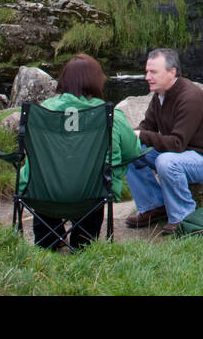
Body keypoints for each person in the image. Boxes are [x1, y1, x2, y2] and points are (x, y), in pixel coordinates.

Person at [19, 53, 145, 250]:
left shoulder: (42, 112)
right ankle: (84, 244)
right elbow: (133, 152)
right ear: (96, 81)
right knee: (96, 182)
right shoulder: (109, 114)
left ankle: (47, 242)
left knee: (47, 178)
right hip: (93, 195)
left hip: (43, 193)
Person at [125, 47, 203, 235]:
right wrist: (128, 136)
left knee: (165, 161)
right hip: (180, 154)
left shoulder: (189, 97)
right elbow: (146, 127)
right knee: (128, 149)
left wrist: (141, 135)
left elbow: (177, 144)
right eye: (147, 71)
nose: (147, 76)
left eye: (153, 72)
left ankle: (183, 217)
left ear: (172, 72)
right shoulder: (160, 95)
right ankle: (153, 206)